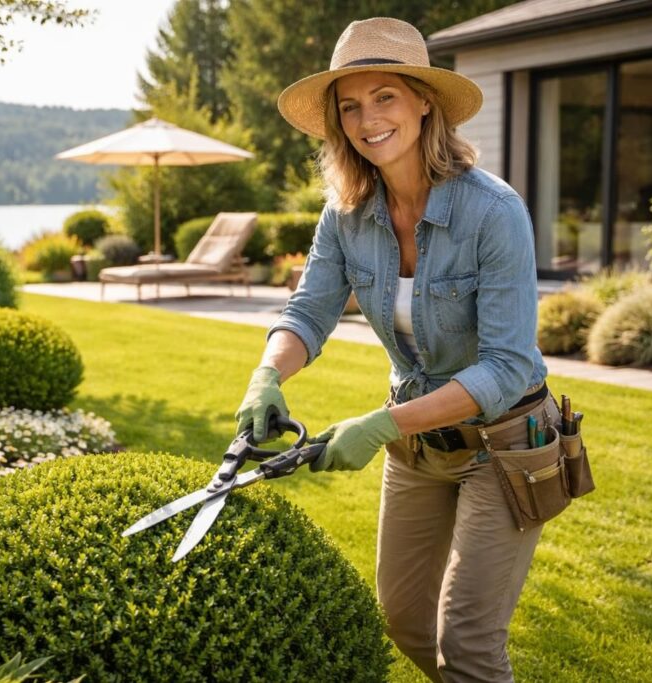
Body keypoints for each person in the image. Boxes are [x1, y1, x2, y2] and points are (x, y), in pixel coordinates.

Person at [235, 17, 557, 683]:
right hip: (419, 448)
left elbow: (506, 365)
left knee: (467, 642)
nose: (366, 119)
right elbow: (309, 311)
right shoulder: (346, 213)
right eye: (349, 106)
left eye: (384, 96)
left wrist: (378, 424)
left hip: (504, 444)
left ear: (423, 101)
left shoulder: (493, 211)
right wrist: (265, 376)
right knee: (405, 620)